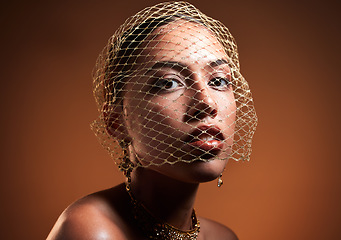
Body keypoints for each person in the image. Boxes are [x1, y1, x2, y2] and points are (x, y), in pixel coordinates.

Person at [47, 2, 257, 239]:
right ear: (117, 121)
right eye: (168, 83)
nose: (207, 104)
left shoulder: (223, 237)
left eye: (218, 81)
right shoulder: (91, 231)